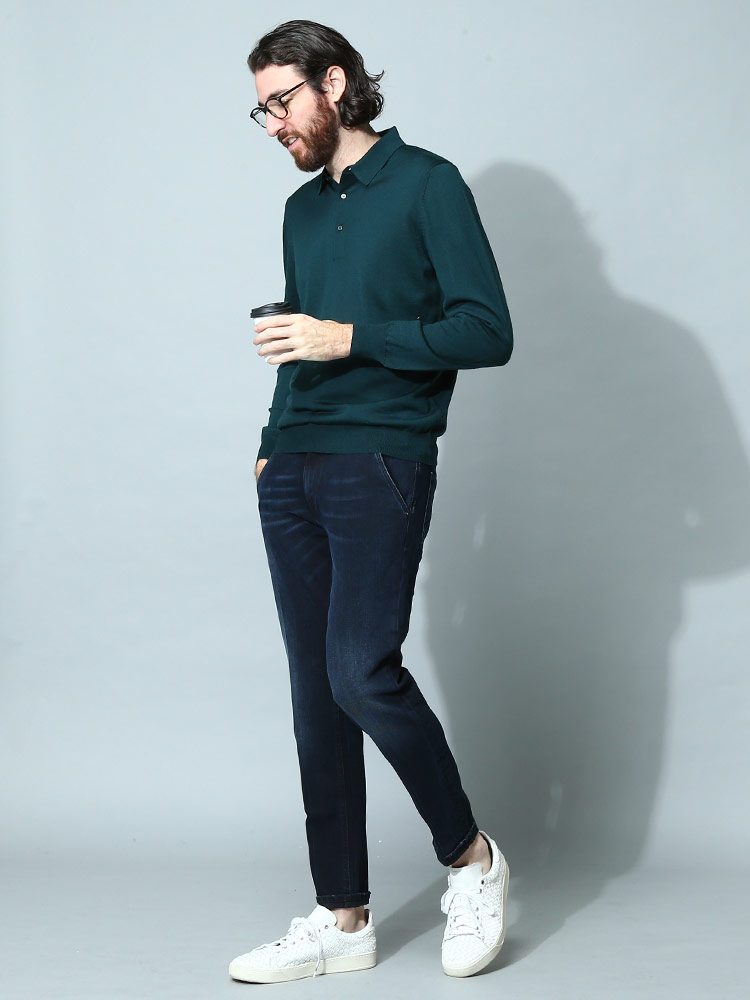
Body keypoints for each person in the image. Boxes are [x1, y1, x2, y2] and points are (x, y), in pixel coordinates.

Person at [229, 19, 513, 984]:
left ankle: (472, 859)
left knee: (360, 672)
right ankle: (342, 917)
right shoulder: (301, 211)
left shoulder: (430, 184)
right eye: (261, 110)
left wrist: (349, 337)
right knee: (317, 695)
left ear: (335, 83)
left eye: (281, 101)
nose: (273, 123)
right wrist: (271, 444)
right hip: (293, 466)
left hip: (381, 458)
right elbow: (296, 342)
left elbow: (486, 331)